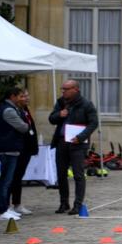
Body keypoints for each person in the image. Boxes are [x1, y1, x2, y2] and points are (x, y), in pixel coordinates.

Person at [48, 79, 99, 215]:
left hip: (78, 144)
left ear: (75, 89)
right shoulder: (60, 103)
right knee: (61, 174)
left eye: (66, 89)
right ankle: (64, 203)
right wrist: (59, 114)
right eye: (62, 89)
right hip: (61, 142)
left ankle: (77, 204)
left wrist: (81, 137)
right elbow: (51, 118)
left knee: (78, 174)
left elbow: (93, 123)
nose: (63, 91)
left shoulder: (86, 104)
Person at [0, 87, 31, 221]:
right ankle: (2, 210)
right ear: (12, 96)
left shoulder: (9, 108)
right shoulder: (9, 110)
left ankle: (5, 208)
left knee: (7, 180)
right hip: (8, 149)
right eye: (20, 96)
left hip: (9, 148)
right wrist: (26, 124)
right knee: (5, 181)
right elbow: (23, 127)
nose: (22, 98)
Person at [9, 88, 39, 216]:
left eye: (27, 95)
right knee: (13, 177)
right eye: (23, 96)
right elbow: (23, 127)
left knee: (18, 177)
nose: (27, 98)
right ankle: (10, 205)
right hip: (17, 148)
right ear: (15, 97)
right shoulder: (14, 111)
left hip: (26, 148)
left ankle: (17, 204)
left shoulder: (24, 110)